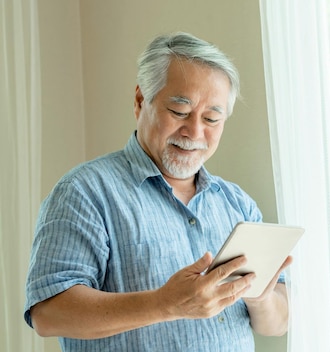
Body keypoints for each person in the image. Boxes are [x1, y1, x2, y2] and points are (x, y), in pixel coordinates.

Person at [24, 31, 292, 352]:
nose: (195, 132)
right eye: (180, 112)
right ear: (140, 101)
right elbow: (48, 314)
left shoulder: (238, 204)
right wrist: (164, 304)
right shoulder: (84, 192)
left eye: (211, 118)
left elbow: (276, 324)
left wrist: (259, 295)